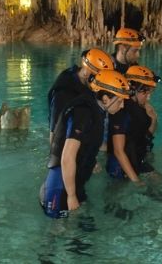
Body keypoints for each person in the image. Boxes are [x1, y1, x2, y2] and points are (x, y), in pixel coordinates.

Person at [40, 69, 132, 218]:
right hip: (60, 186)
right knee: (59, 233)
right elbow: (67, 157)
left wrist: (91, 160)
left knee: (84, 231)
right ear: (106, 99)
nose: (122, 106)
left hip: (74, 182)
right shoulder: (84, 113)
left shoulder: (96, 110)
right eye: (120, 101)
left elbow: (86, 141)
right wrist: (71, 196)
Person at [107, 65, 162, 183]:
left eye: (150, 93)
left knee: (158, 181)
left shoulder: (141, 109)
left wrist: (153, 118)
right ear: (133, 89)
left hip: (136, 157)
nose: (149, 97)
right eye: (146, 93)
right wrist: (135, 180)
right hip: (120, 166)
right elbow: (118, 151)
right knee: (118, 195)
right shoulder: (120, 110)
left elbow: (146, 136)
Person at [47, 48, 115, 142]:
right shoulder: (63, 92)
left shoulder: (90, 85)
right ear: (87, 73)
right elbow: (54, 136)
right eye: (99, 79)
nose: (101, 84)